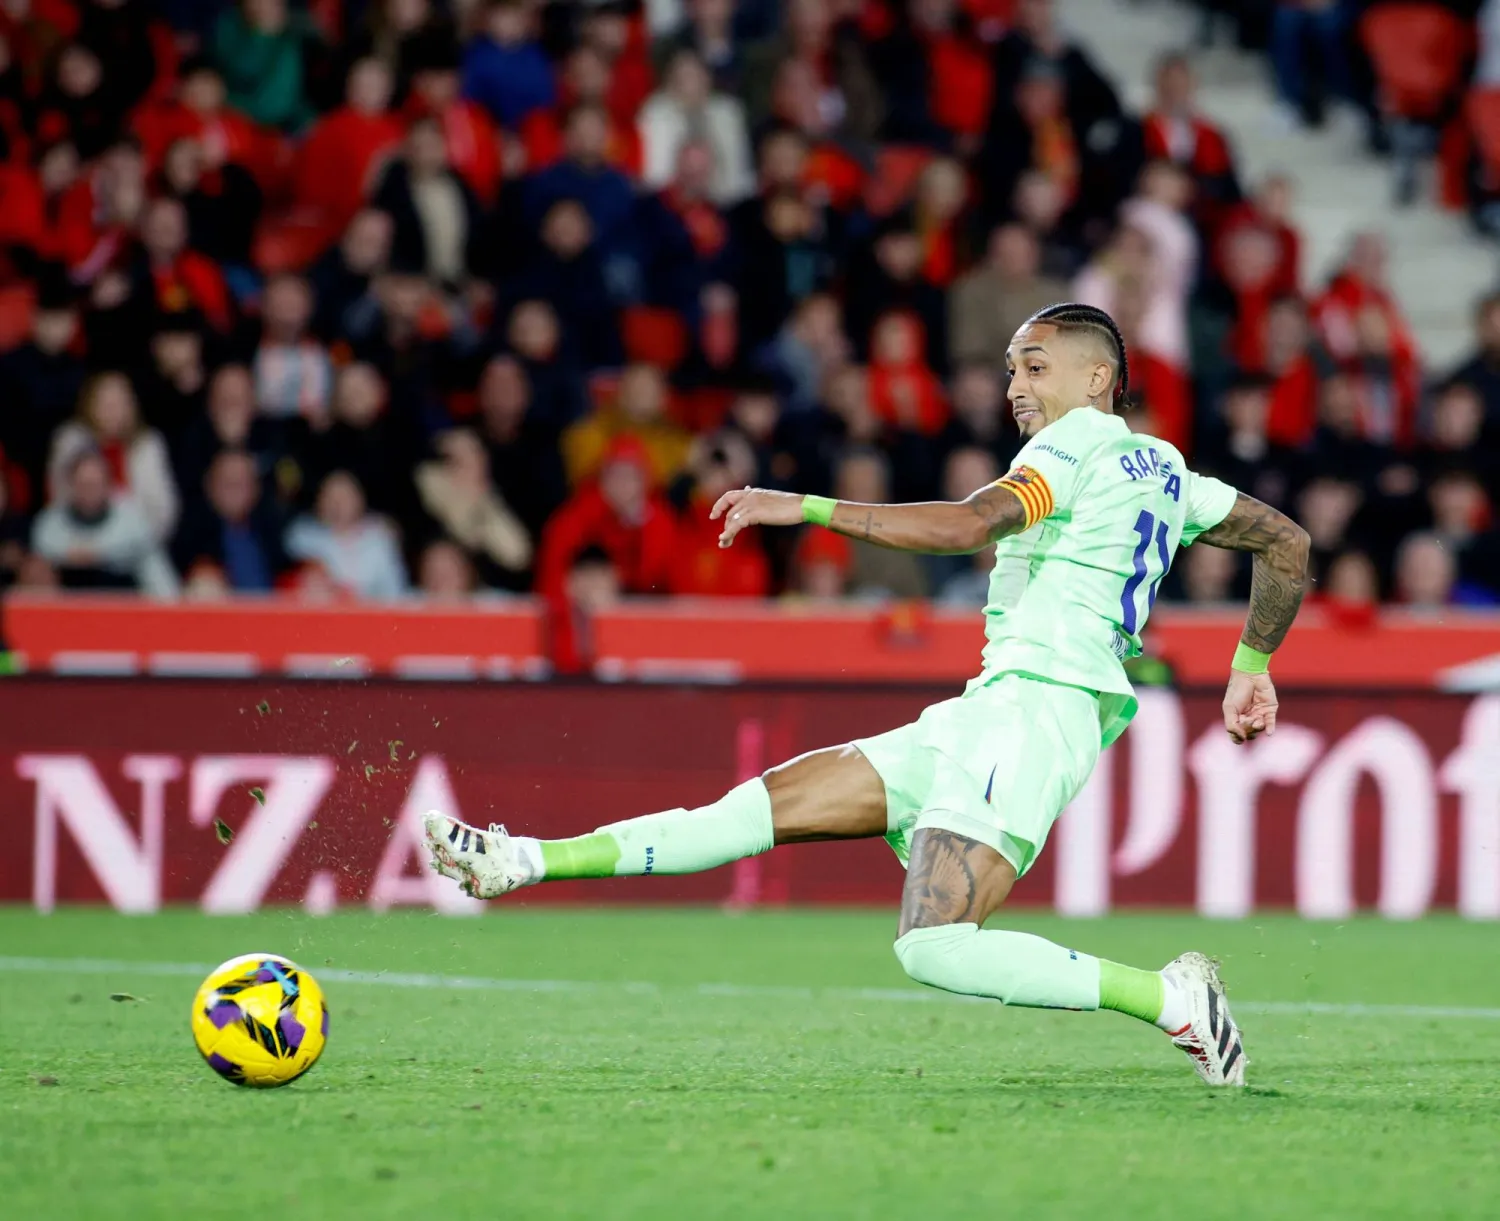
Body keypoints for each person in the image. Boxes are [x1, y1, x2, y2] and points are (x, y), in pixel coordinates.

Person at [425, 302, 1313, 1089]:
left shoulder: (1073, 440)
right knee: (749, 812)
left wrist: (803, 506)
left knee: (933, 946)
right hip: (993, 709)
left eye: (1034, 365)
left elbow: (970, 523)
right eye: (1011, 368)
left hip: (1036, 713)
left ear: (1098, 377)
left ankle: (1171, 998)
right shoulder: (1168, 474)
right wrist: (1253, 664)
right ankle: (526, 861)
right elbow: (1286, 543)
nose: (1015, 385)